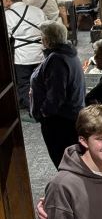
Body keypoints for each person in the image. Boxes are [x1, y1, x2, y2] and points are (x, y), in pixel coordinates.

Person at [30, 20, 85, 167]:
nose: (41, 40)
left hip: (59, 121)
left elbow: (56, 94)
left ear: (47, 39)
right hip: (67, 118)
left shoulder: (56, 59)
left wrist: (43, 113)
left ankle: (70, 190)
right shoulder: (67, 54)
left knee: (64, 162)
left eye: (42, 36)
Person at [3, 0, 45, 110]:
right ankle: (43, 104)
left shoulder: (7, 15)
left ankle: (31, 107)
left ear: (8, 0)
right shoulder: (37, 11)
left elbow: (6, 37)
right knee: (41, 81)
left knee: (24, 83)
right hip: (40, 53)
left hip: (22, 56)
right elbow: (46, 30)